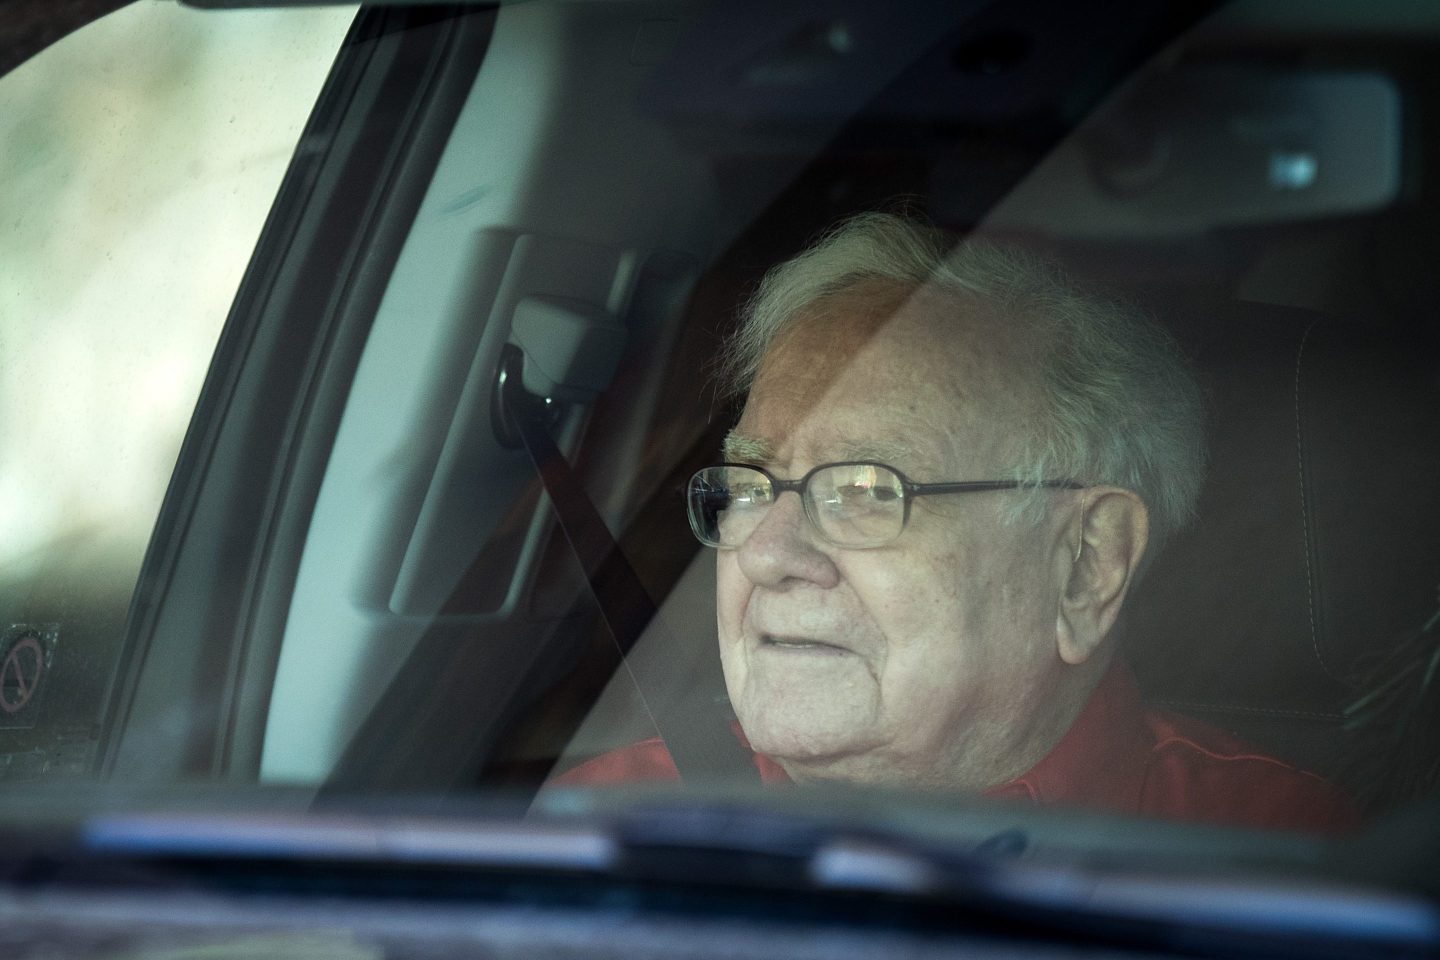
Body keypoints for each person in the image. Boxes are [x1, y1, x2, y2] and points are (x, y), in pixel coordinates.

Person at [557, 212, 1355, 832]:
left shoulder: (1278, 859)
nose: (765, 554)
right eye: (753, 484)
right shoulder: (600, 824)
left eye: (866, 489)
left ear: (1087, 564)